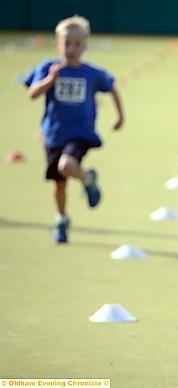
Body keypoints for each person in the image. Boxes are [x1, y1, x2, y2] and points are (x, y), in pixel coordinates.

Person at [25, 15, 124, 243]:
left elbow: (112, 86)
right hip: (54, 135)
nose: (72, 49)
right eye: (67, 43)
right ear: (58, 44)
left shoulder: (91, 73)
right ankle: (62, 219)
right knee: (59, 185)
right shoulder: (49, 69)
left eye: (77, 44)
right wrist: (50, 80)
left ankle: (88, 178)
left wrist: (119, 116)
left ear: (85, 46)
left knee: (66, 166)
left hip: (79, 134)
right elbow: (32, 93)